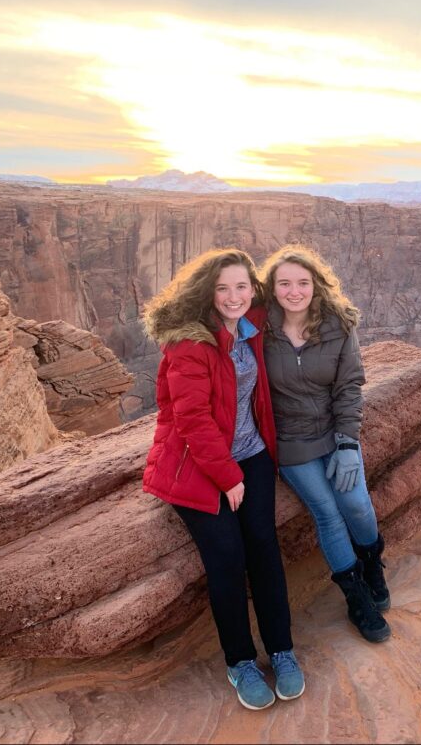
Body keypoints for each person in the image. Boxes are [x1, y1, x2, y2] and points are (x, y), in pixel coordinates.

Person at [141, 248, 304, 711]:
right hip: (197, 466)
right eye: (222, 288)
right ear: (206, 293)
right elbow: (191, 419)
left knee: (264, 548)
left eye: (241, 287)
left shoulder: (250, 324)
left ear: (253, 290)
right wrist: (228, 477)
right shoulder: (190, 345)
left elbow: (300, 302)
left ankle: (282, 650)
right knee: (227, 558)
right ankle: (240, 661)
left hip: (250, 455)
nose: (233, 297)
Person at [260, 245, 391, 643]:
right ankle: (356, 599)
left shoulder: (339, 324)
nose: (294, 291)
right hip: (291, 441)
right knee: (328, 513)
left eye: (302, 282)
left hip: (335, 433)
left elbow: (349, 385)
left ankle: (372, 565)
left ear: (316, 285)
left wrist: (348, 443)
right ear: (272, 287)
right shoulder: (258, 328)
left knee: (356, 503)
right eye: (284, 283)